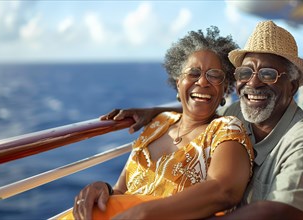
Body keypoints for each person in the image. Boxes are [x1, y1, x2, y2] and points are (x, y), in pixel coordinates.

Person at [104, 20, 303, 219]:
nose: (253, 83)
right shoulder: (238, 114)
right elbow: (200, 115)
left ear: (293, 86)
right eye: (246, 72)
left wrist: (146, 213)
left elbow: (279, 211)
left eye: (268, 74)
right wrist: (155, 112)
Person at [71, 26, 254, 220]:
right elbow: (121, 191)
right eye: (193, 73)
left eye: (214, 75)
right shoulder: (158, 124)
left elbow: (224, 190)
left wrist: (144, 213)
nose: (202, 82)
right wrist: (103, 189)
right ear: (178, 82)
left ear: (225, 87)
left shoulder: (225, 130)